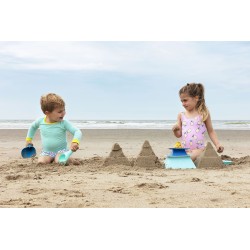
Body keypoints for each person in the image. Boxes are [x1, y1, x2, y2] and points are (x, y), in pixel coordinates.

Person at [25, 93, 82, 164]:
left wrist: (75, 142)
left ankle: (71, 160)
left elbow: (77, 131)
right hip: (47, 152)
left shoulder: (63, 123)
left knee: (60, 161)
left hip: (61, 151)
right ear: (47, 113)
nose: (63, 113)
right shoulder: (40, 121)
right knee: (41, 162)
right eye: (59, 112)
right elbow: (33, 127)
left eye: (64, 110)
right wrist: (28, 140)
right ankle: (52, 159)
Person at [172, 83, 224, 161]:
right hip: (184, 149)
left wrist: (217, 144)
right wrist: (175, 130)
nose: (183, 104)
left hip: (198, 149)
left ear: (196, 98)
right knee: (174, 157)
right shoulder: (181, 115)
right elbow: (179, 135)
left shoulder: (203, 113)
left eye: (185, 100)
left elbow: (211, 131)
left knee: (189, 158)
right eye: (181, 101)